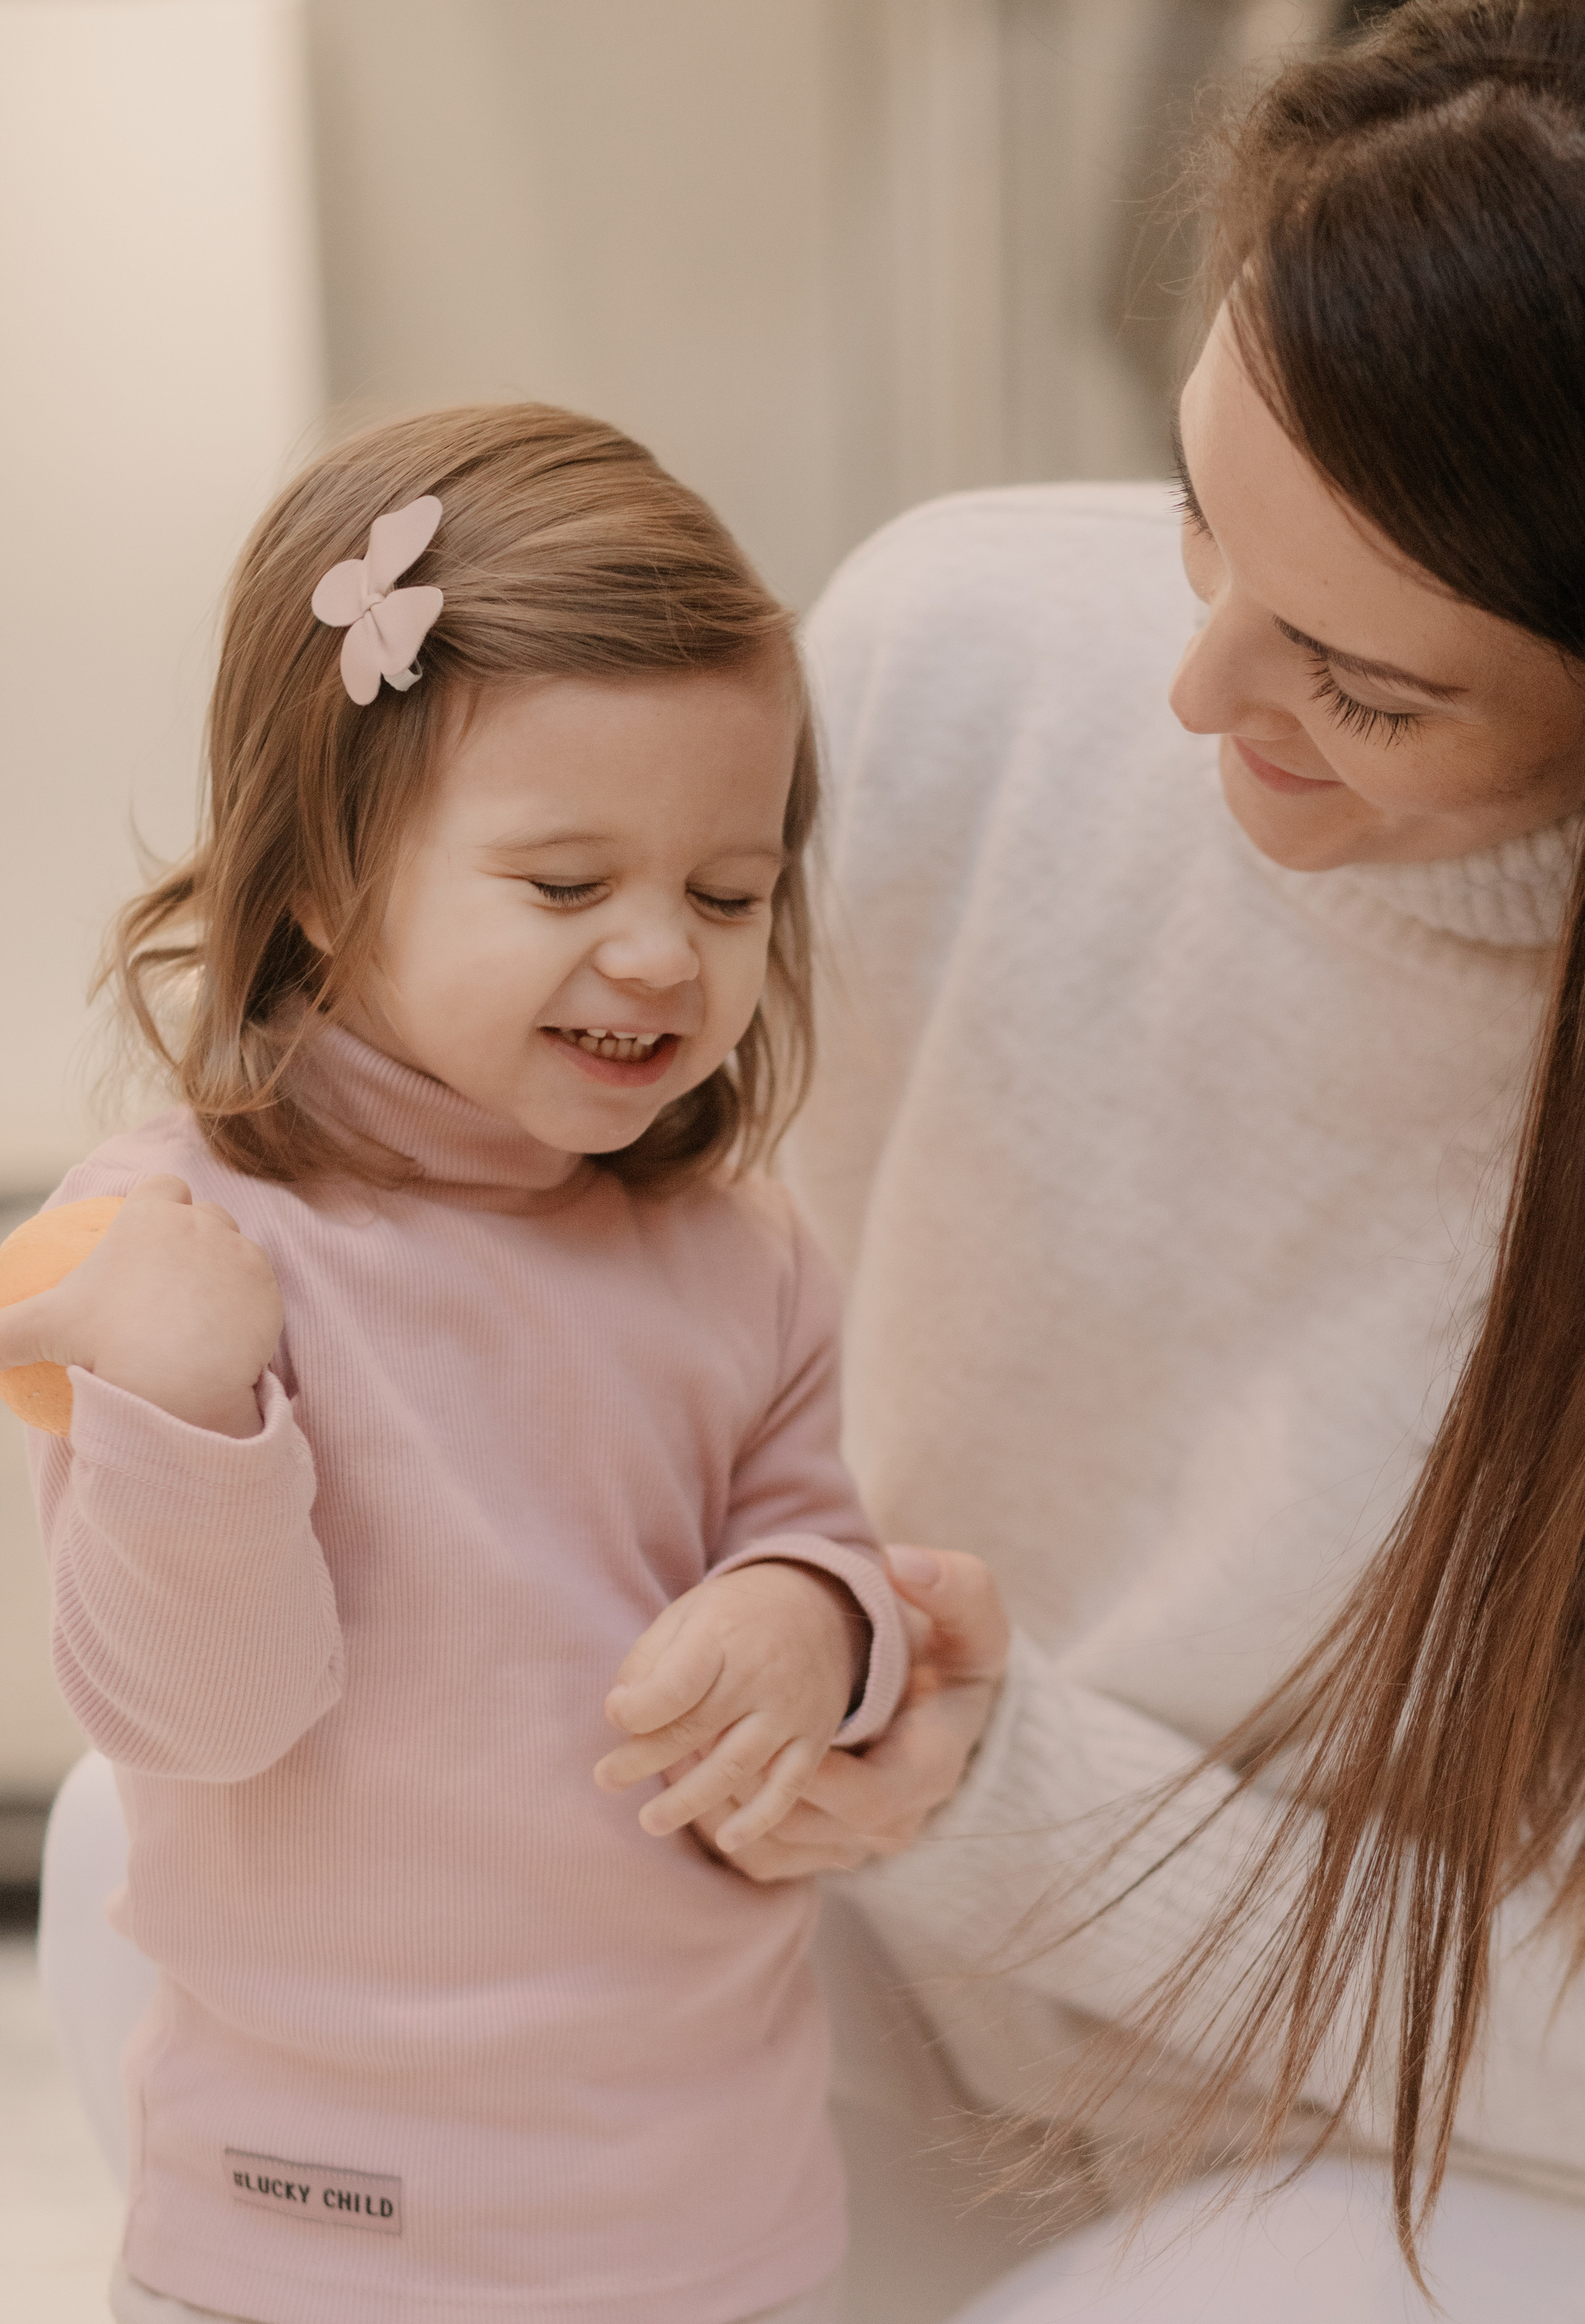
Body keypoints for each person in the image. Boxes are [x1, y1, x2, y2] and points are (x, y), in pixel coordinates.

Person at [680, 2, 1585, 2319]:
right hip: (932, 1969)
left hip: (1536, 2166)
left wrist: (994, 1797)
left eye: (1370, 685)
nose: (1198, 689)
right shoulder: (961, 653)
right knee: (173, 1890)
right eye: (1204, 512)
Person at [4, 405, 912, 2324]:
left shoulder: (738, 1258)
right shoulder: (185, 1244)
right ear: (323, 883)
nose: (665, 958)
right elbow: (201, 1719)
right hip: (309, 2233)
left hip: (701, 2222)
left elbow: (836, 1543)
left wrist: (814, 1618)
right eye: (568, 888)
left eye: (728, 894)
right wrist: (187, 1405)